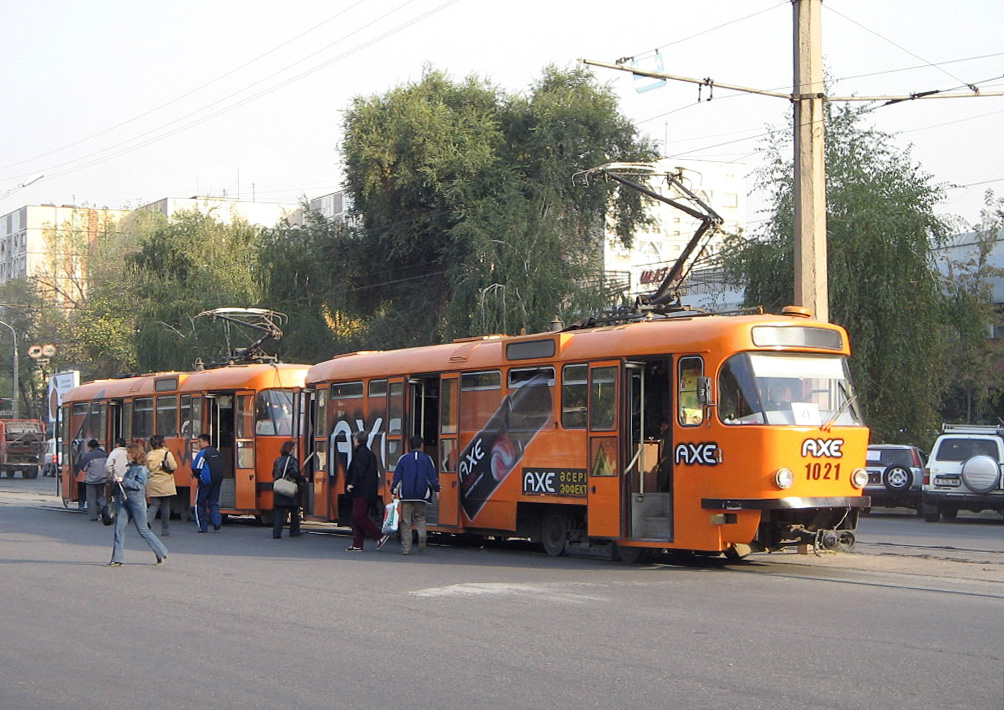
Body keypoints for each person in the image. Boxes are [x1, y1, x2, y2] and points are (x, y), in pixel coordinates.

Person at [107, 443, 168, 567]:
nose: (127, 455)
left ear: (135, 454)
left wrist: (124, 480)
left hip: (136, 502)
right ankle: (117, 559)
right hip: (124, 501)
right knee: (119, 529)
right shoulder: (130, 467)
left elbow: (140, 485)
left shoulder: (141, 469)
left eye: (129, 453)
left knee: (143, 530)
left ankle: (161, 551)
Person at [392, 435, 441, 555]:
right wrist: (437, 490)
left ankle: (406, 548)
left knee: (406, 521)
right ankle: (422, 536)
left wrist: (393, 492)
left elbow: (397, 477)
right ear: (422, 446)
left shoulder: (403, 459)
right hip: (421, 494)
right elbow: (432, 477)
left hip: (406, 494)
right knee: (420, 517)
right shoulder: (427, 459)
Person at [344, 431, 389, 552]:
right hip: (368, 490)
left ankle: (379, 536)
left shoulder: (360, 454)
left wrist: (352, 484)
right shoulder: (370, 454)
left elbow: (359, 470)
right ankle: (357, 544)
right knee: (357, 516)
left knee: (358, 516)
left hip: (361, 490)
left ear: (357, 440)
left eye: (354, 439)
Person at [271, 440, 306, 539]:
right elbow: (294, 473)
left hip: (279, 487)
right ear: (290, 449)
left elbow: (273, 474)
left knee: (279, 512)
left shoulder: (278, 460)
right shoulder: (292, 460)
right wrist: (303, 479)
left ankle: (276, 533)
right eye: (293, 448)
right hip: (289, 488)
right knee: (294, 511)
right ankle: (294, 531)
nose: (294, 450)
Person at [145, 434, 178, 537]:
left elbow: (146, 469)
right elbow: (174, 466)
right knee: (165, 506)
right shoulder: (167, 453)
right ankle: (165, 529)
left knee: (154, 504)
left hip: (152, 482)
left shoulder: (149, 455)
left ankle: (147, 521)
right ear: (162, 443)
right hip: (165, 483)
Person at [192, 433, 224, 533]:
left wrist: (199, 477)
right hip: (217, 481)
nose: (198, 444)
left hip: (205, 482)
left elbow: (195, 467)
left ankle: (203, 527)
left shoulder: (203, 453)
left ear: (206, 442)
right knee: (213, 502)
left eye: (199, 442)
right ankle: (217, 522)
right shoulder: (217, 452)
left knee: (200, 504)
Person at [77, 439, 108, 521]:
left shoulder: (88, 456)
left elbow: (83, 468)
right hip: (103, 479)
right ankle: (105, 509)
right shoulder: (105, 455)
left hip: (91, 480)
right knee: (101, 496)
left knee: (91, 498)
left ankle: (93, 516)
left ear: (90, 447)